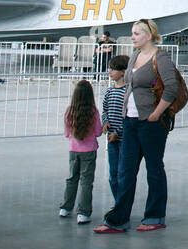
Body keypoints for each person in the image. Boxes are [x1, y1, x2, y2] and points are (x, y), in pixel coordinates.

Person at [94, 19, 181, 234]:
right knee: (125, 171)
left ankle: (154, 215)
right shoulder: (134, 56)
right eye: (132, 33)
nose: (132, 37)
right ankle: (118, 219)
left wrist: (156, 114)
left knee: (154, 169)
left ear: (149, 35)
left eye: (136, 33)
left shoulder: (160, 58)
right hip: (130, 122)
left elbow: (171, 88)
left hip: (151, 123)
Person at [59, 79, 102, 224]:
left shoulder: (69, 111)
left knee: (72, 178)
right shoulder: (93, 112)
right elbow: (98, 132)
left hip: (73, 149)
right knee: (86, 181)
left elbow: (66, 134)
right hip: (89, 151)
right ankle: (83, 212)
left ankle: (65, 208)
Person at [100, 54, 129, 203]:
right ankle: (118, 202)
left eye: (113, 69)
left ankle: (122, 204)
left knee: (122, 173)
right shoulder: (110, 91)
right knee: (113, 174)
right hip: (111, 140)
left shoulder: (127, 92)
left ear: (123, 71)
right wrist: (105, 122)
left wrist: (117, 133)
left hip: (123, 140)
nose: (110, 72)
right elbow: (105, 109)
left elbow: (128, 117)